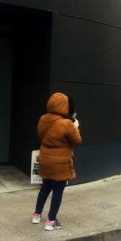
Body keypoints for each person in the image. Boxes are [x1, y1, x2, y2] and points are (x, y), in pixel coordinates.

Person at [33, 92, 82, 231]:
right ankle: (51, 221)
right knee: (58, 190)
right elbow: (77, 142)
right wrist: (76, 127)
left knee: (45, 186)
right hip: (60, 162)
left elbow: (41, 136)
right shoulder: (66, 123)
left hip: (45, 157)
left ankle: (36, 215)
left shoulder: (43, 119)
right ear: (64, 106)